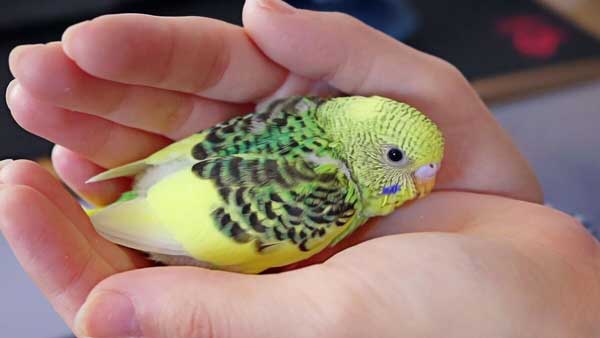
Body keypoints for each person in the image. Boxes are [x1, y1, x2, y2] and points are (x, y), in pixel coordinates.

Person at [3, 0, 599, 336]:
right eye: (400, 160)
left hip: (174, 169)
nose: (421, 181)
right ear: (364, 144)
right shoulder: (328, 194)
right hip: (164, 220)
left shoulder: (307, 113)